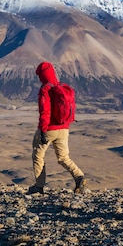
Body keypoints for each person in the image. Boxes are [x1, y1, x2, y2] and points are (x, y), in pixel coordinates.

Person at [28, 61, 87, 194]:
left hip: (50, 129)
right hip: (64, 128)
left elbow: (45, 112)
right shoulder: (61, 87)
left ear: (42, 75)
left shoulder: (45, 89)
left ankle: (39, 186)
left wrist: (43, 130)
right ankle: (79, 177)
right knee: (63, 157)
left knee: (38, 155)